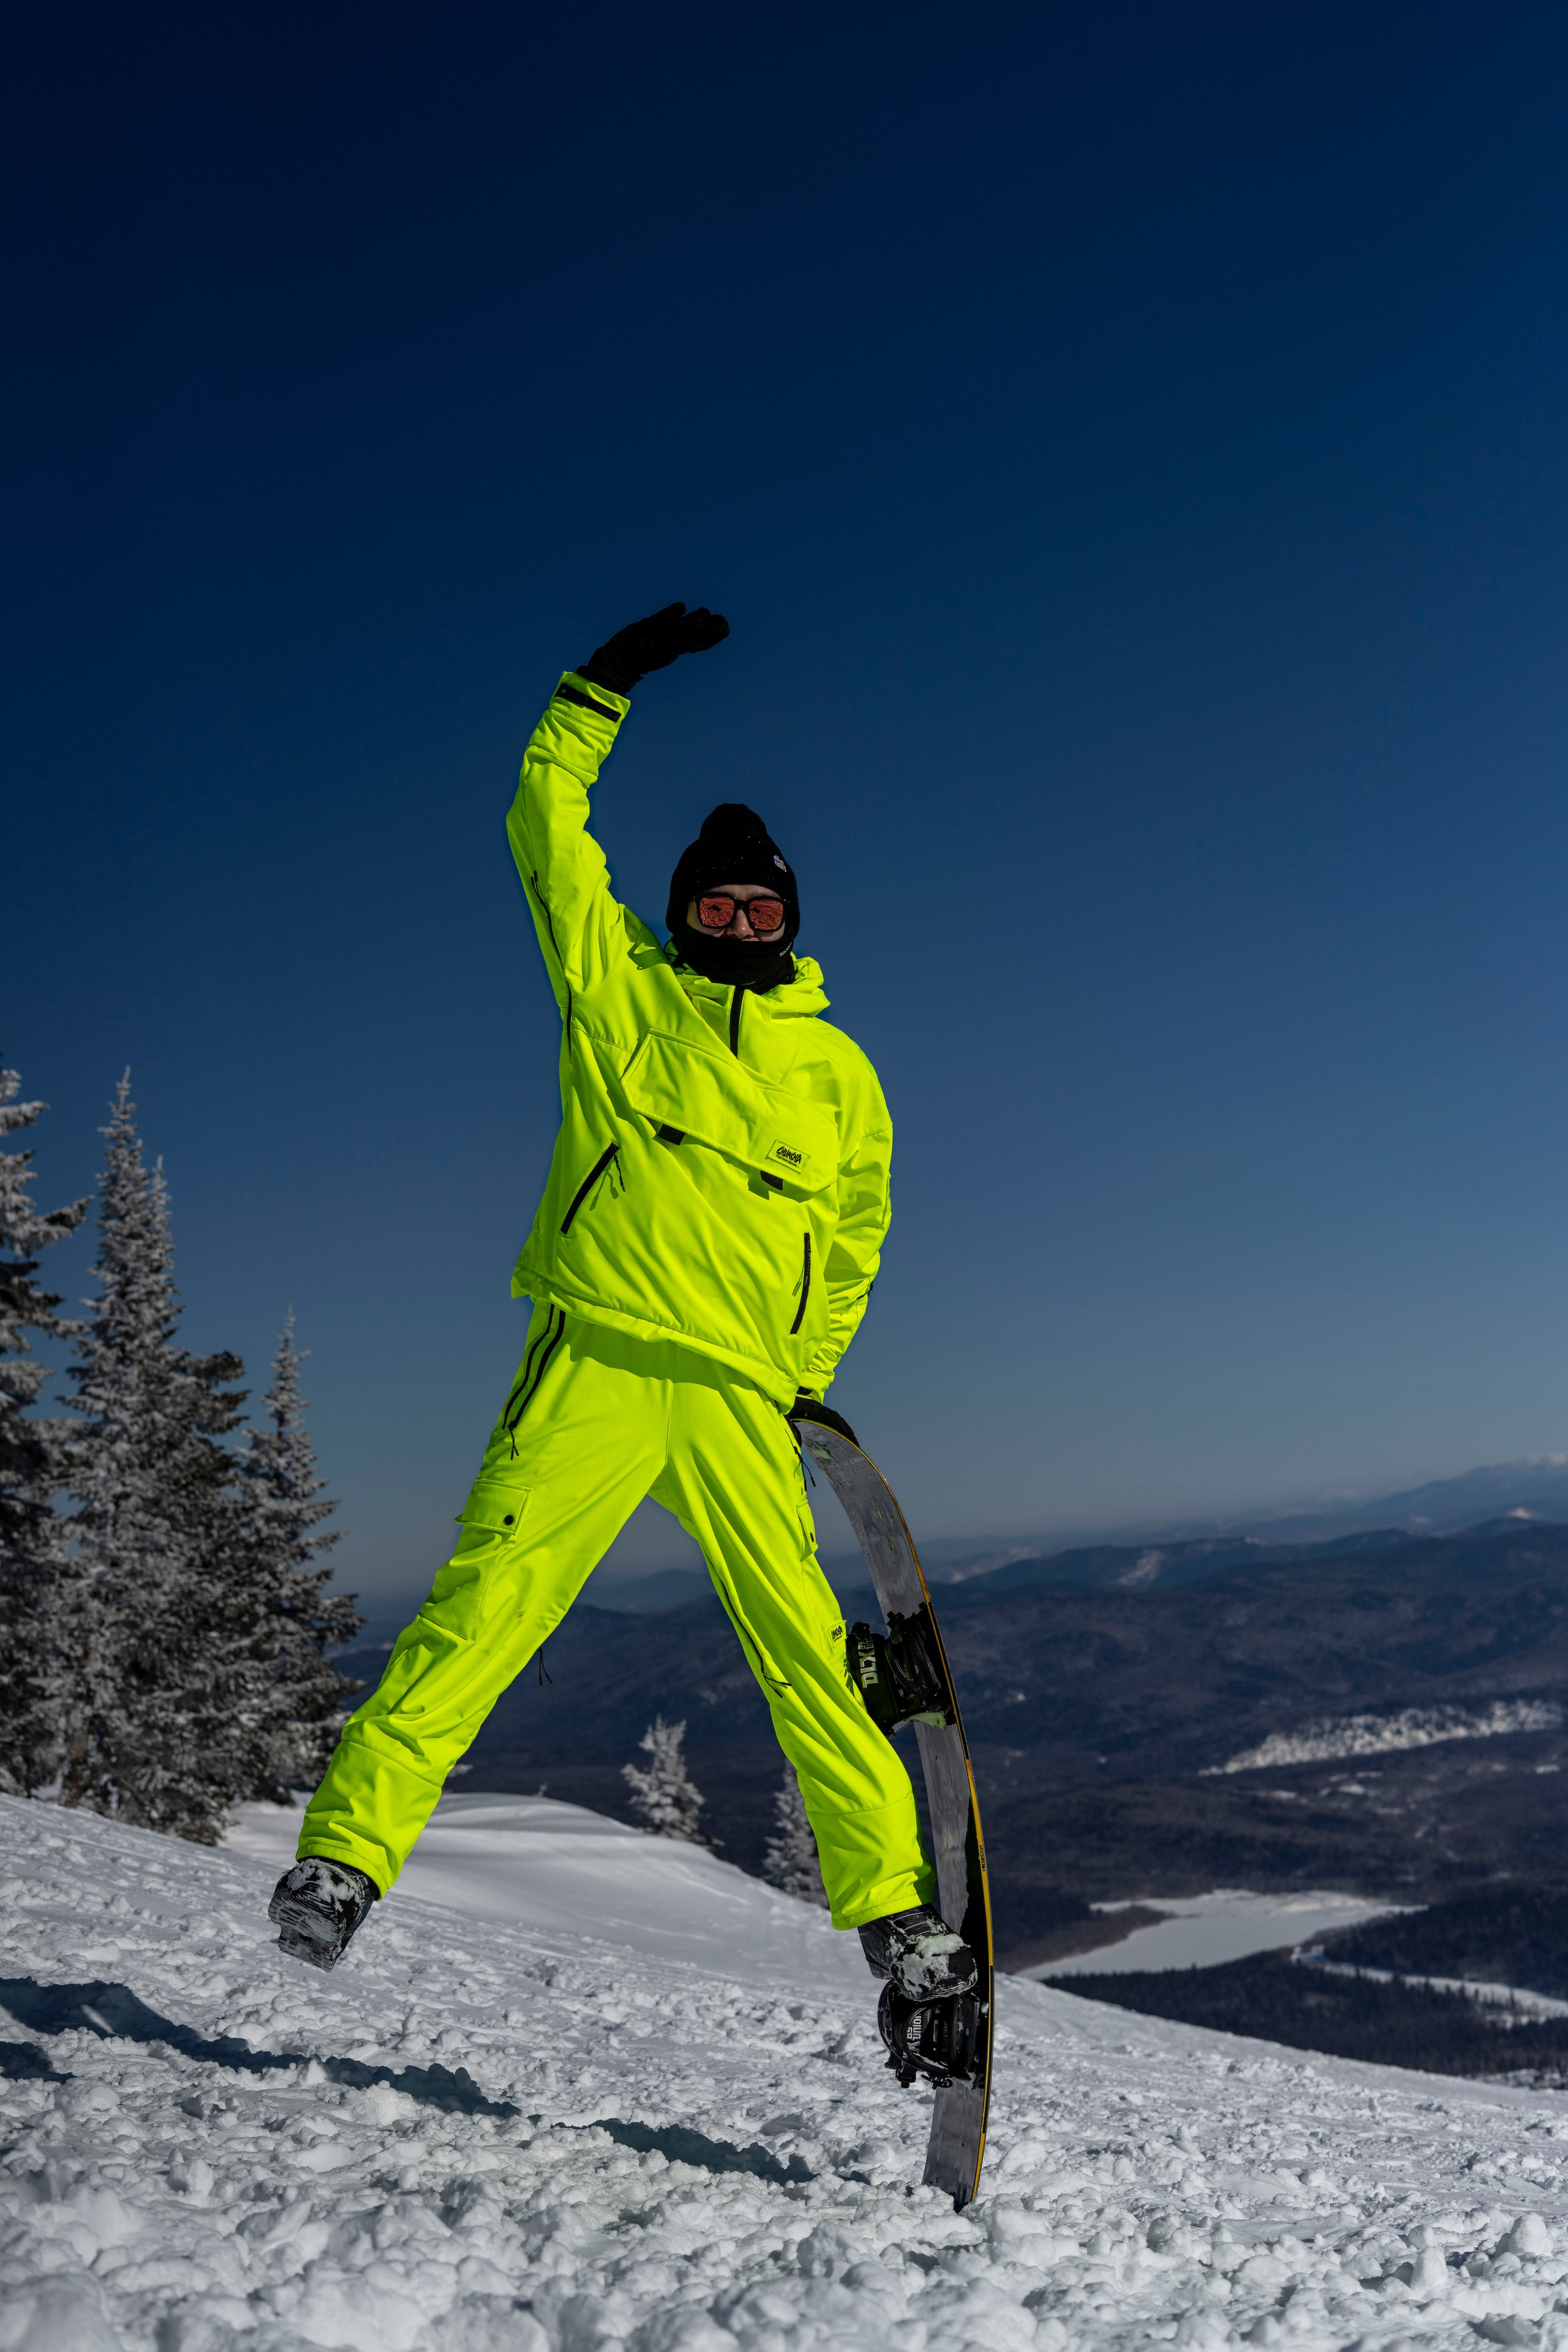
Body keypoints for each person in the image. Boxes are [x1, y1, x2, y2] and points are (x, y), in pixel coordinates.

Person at [268, 603, 976, 2011]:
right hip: (595, 1356)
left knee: (805, 1657)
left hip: (732, 1395)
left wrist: (800, 1374)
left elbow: (854, 1235)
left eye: (759, 910)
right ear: (676, 914)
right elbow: (544, 819)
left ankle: (897, 1916)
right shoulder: (616, 995)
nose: (735, 925)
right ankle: (343, 1858)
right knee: (484, 1610)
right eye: (712, 906)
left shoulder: (835, 1073)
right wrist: (602, 687)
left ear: (789, 922)